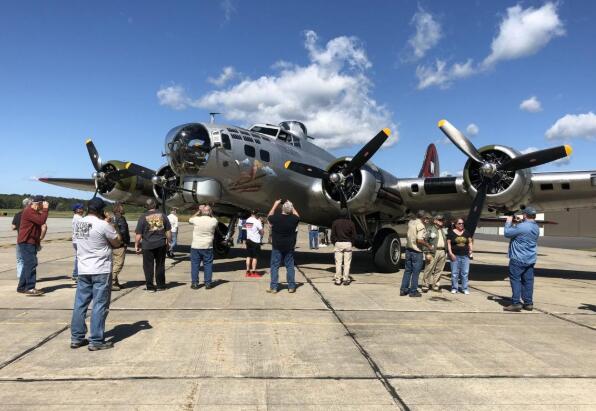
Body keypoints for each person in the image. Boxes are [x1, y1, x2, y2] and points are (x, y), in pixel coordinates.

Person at [70, 197, 121, 350]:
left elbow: (75, 244)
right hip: (100, 269)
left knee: (80, 304)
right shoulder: (103, 225)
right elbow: (117, 242)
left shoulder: (79, 224)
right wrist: (111, 223)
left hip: (83, 269)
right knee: (99, 304)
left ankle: (77, 338)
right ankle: (96, 340)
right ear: (100, 211)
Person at [503, 207, 540, 312]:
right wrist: (518, 223)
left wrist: (509, 221)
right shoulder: (536, 227)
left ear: (524, 215)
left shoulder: (522, 226)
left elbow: (507, 233)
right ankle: (528, 303)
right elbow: (522, 232)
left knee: (515, 280)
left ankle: (516, 303)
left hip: (518, 258)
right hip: (530, 258)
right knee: (528, 281)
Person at [135, 199, 172, 291]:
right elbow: (168, 231)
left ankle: (150, 287)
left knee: (148, 266)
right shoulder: (162, 215)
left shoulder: (143, 217)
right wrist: (169, 242)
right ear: (155, 205)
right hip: (160, 243)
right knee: (160, 265)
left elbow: (138, 234)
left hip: (147, 245)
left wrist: (136, 245)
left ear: (146, 206)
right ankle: (160, 285)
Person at [16, 196, 49, 296]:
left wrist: (38, 243)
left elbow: (38, 228)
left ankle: (22, 287)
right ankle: (30, 288)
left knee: (27, 265)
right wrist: (46, 209)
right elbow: (41, 221)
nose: (43, 206)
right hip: (26, 242)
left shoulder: (34, 212)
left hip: (31, 242)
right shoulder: (29, 211)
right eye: (42, 204)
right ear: (38, 203)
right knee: (31, 263)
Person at [267, 199, 300, 293]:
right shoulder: (294, 219)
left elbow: (269, 216)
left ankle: (273, 287)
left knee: (274, 266)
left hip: (277, 246)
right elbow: (298, 216)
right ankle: (291, 286)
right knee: (290, 266)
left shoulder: (276, 218)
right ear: (290, 210)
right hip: (289, 246)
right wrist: (292, 206)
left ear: (282, 208)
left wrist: (275, 204)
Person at [400, 210, 432, 297]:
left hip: (408, 250)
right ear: (423, 217)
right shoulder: (420, 225)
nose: (427, 219)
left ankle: (403, 289)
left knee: (407, 271)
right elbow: (419, 240)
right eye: (426, 217)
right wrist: (428, 246)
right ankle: (413, 291)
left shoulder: (411, 222)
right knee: (415, 272)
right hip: (416, 251)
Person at [188, 204, 218, 289]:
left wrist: (198, 212)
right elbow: (214, 219)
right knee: (208, 265)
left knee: (195, 265)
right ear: (210, 212)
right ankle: (208, 283)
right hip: (208, 246)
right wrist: (210, 212)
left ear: (202, 212)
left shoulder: (196, 219)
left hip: (196, 246)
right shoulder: (213, 221)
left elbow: (190, 220)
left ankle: (195, 283)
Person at [447, 217, 473, 294]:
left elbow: (470, 242)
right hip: (455, 255)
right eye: (459, 223)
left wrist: (471, 250)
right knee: (454, 273)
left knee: (465, 273)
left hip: (465, 256)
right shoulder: (451, 233)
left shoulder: (467, 232)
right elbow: (448, 244)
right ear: (455, 224)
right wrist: (450, 253)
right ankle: (454, 288)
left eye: (462, 223)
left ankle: (464, 288)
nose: (461, 225)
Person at [421, 214, 447, 292]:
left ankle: (435, 285)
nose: (441, 221)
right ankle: (425, 285)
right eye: (439, 220)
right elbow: (425, 241)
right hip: (432, 252)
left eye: (442, 220)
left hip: (442, 251)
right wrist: (426, 253)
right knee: (429, 269)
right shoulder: (430, 229)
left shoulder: (443, 230)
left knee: (439, 270)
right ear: (435, 221)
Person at [331, 209, 357, 286]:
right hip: (347, 243)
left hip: (338, 243)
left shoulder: (335, 223)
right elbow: (354, 235)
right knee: (347, 263)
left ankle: (338, 280)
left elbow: (332, 235)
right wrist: (351, 243)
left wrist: (334, 242)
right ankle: (346, 279)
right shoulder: (351, 223)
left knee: (338, 263)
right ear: (347, 215)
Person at [111, 202, 129, 291]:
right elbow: (124, 231)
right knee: (119, 263)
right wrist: (126, 242)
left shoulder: (112, 218)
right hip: (120, 243)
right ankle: (112, 281)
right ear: (120, 209)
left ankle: (115, 282)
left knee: (114, 263)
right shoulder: (121, 219)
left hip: (112, 243)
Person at [12, 198, 31, 279]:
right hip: (29, 241)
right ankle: (26, 277)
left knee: (20, 259)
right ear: (29, 205)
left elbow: (13, 227)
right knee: (29, 260)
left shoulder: (17, 214)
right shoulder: (31, 215)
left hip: (19, 239)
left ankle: (20, 276)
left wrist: (19, 228)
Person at [244, 210, 264, 277]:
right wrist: (260, 223)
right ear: (256, 214)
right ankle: (253, 272)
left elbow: (250, 229)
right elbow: (262, 232)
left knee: (248, 256)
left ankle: (247, 271)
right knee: (255, 257)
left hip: (248, 239)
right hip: (255, 241)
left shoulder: (247, 220)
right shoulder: (257, 221)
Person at [71, 203, 84, 282]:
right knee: (79, 258)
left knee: (78, 257)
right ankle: (76, 274)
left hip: (75, 240)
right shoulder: (79, 218)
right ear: (77, 210)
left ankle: (76, 274)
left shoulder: (77, 217)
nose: (82, 209)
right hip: (78, 240)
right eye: (81, 208)